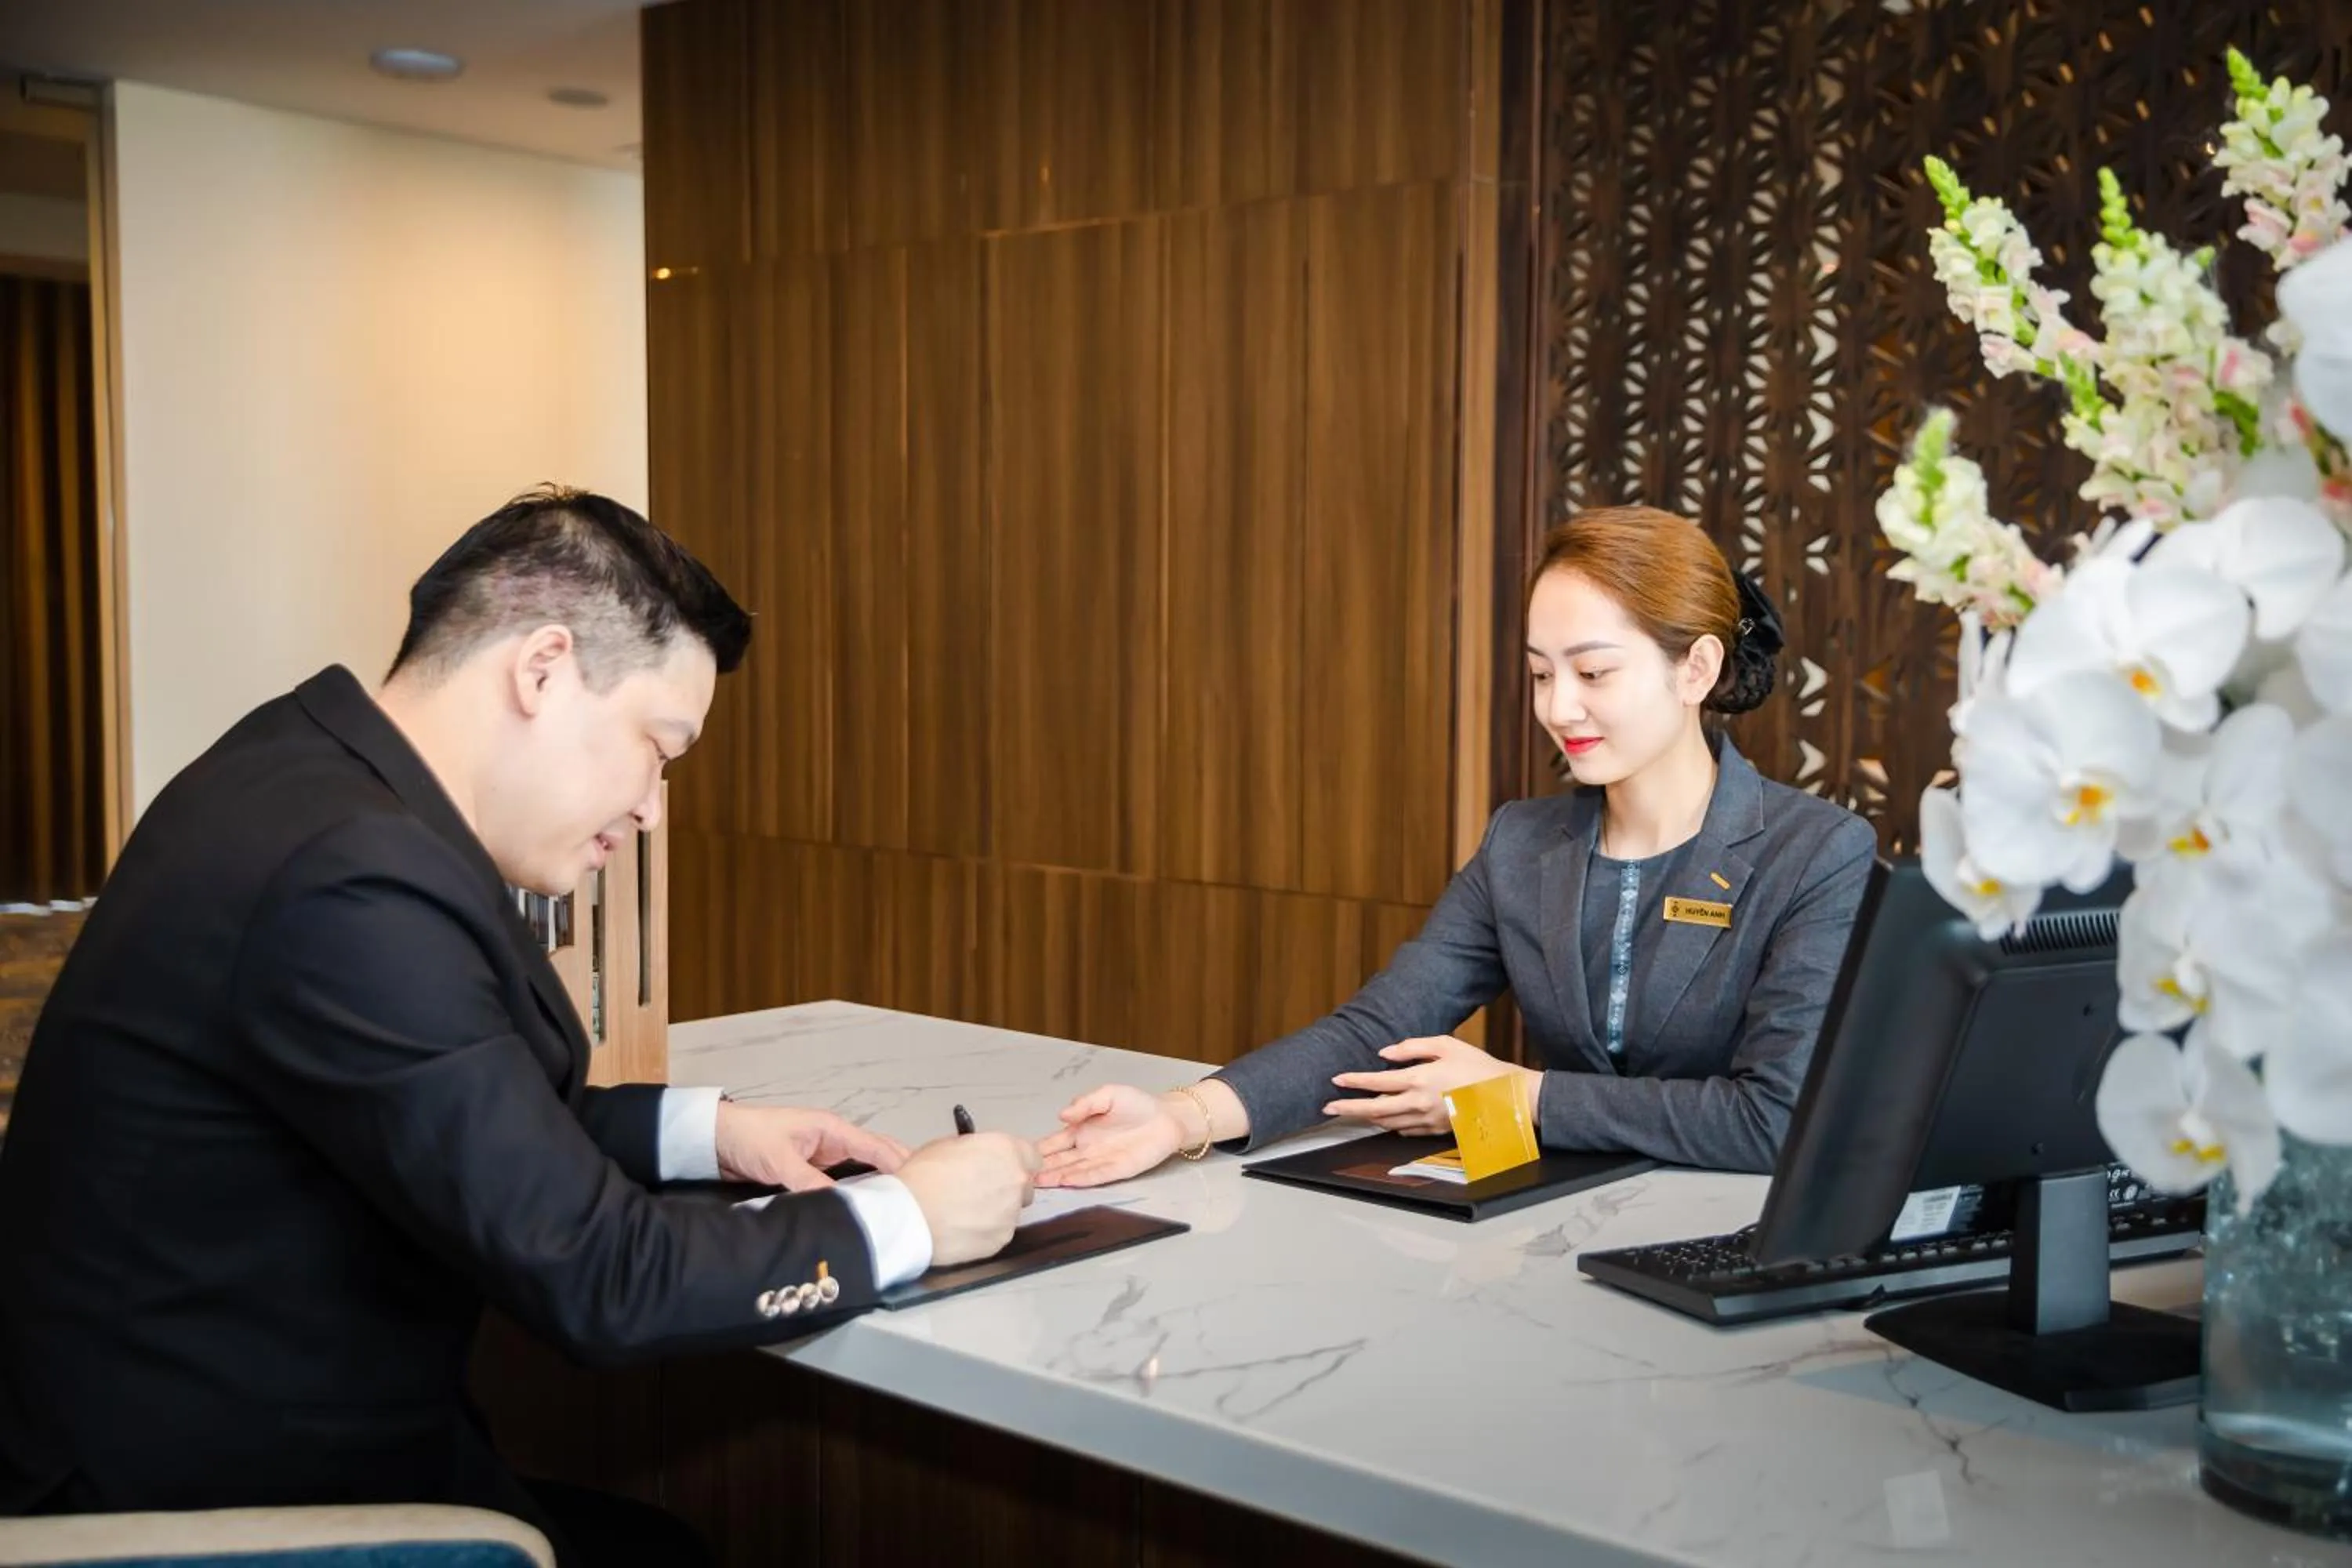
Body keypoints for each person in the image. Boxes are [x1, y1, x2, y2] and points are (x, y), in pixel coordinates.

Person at [0, 488, 1039, 1567]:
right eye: (659, 746)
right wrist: (910, 1219)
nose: (651, 808)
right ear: (542, 669)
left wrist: (712, 1135)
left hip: (223, 1437)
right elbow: (603, 1282)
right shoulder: (353, 877)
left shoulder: (304, 772)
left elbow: (452, 1114)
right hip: (203, 1512)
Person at [1040, 506, 1877, 1187]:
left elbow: (1776, 1117)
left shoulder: (1816, 853)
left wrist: (1519, 1096)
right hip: (1555, 1233)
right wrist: (1184, 1115)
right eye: (1542, 674)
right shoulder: (1523, 844)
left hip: (1732, 1244)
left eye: (1593, 673)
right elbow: (1378, 1027)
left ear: (1696, 669)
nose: (1559, 708)